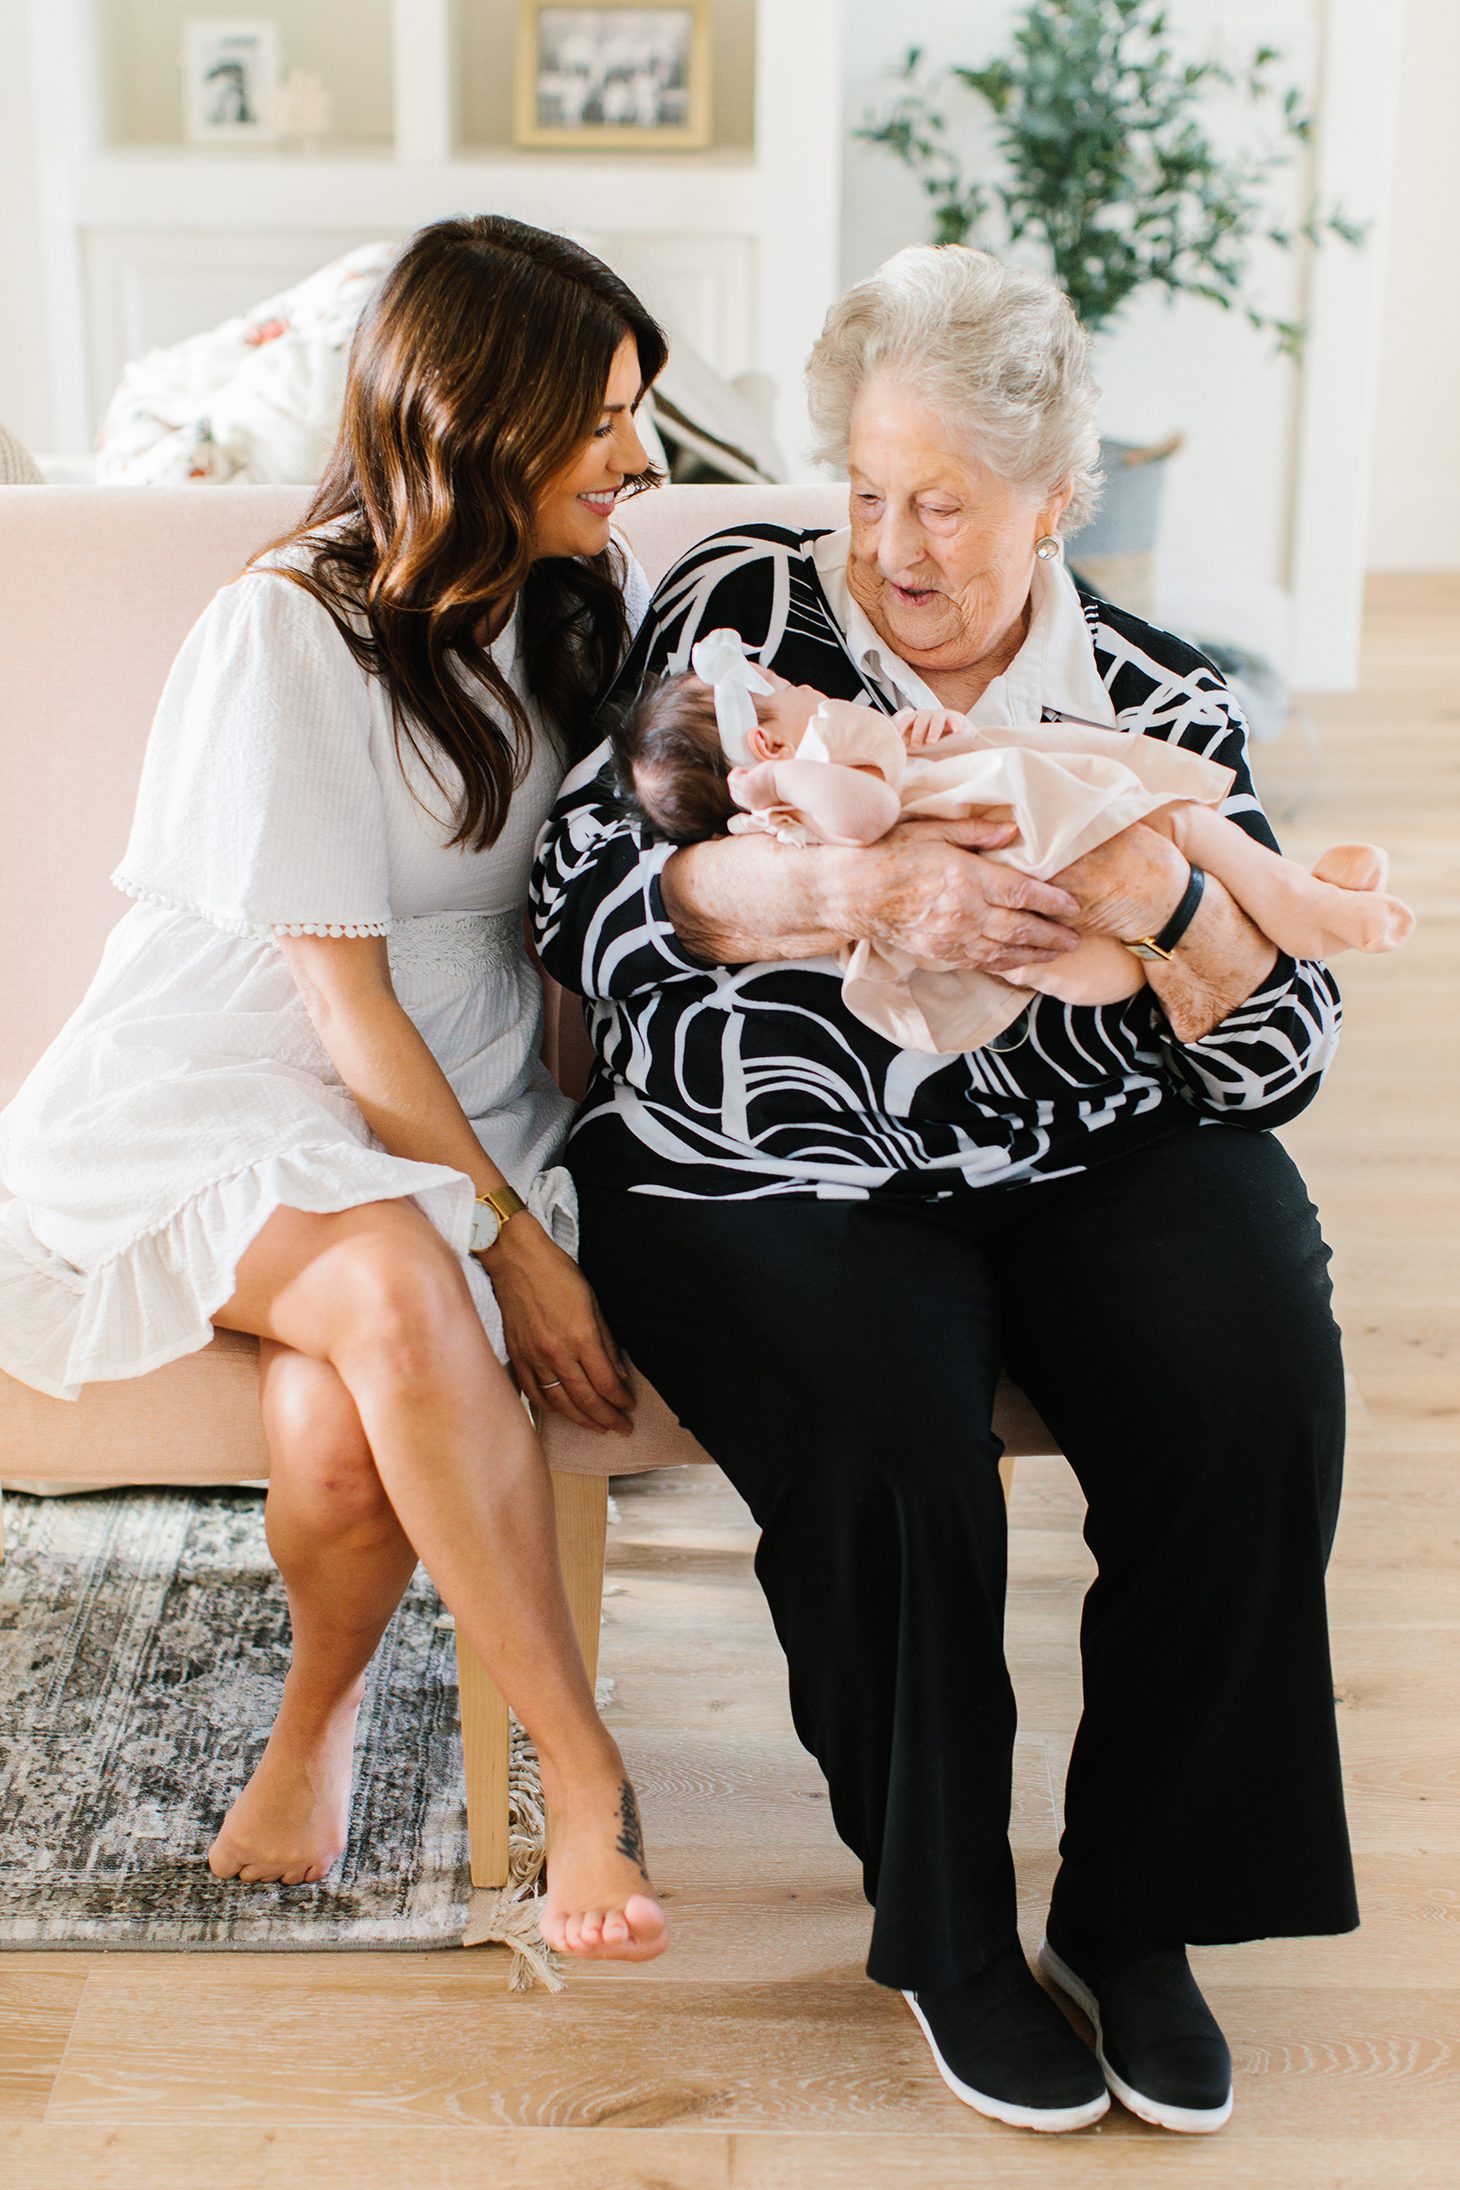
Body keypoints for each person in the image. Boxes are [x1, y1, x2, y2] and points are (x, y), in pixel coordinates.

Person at [533, 243, 1360, 2125]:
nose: (896, 546)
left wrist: (1158, 909)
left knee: (1253, 1385)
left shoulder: (1164, 706)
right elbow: (583, 905)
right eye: (870, 490)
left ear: (1060, 497)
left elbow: (1282, 1055)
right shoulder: (735, 622)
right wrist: (827, 893)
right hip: (769, 1157)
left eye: (950, 505)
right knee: (894, 1439)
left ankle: (1136, 1916)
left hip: (1081, 1142)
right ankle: (953, 1932)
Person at [0, 215, 670, 1964]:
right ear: (479, 412)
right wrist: (517, 1249)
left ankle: (315, 1728)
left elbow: (568, 910)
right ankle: (580, 1766)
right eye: (603, 415)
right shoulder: (280, 631)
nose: (642, 456)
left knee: (335, 1432)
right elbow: (341, 1006)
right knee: (389, 1274)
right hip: (227, 1086)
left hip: (446, 1092)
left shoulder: (581, 603)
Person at [610, 633, 1413, 1052]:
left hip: (1032, 874)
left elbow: (899, 767)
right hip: (1016, 872)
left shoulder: (1162, 678)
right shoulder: (797, 787)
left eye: (943, 506)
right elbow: (862, 818)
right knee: (1174, 823)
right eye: (870, 498)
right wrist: (792, 782)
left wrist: (930, 731)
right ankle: (1300, 904)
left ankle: (1303, 900)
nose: (805, 691)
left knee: (1165, 852)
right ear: (771, 751)